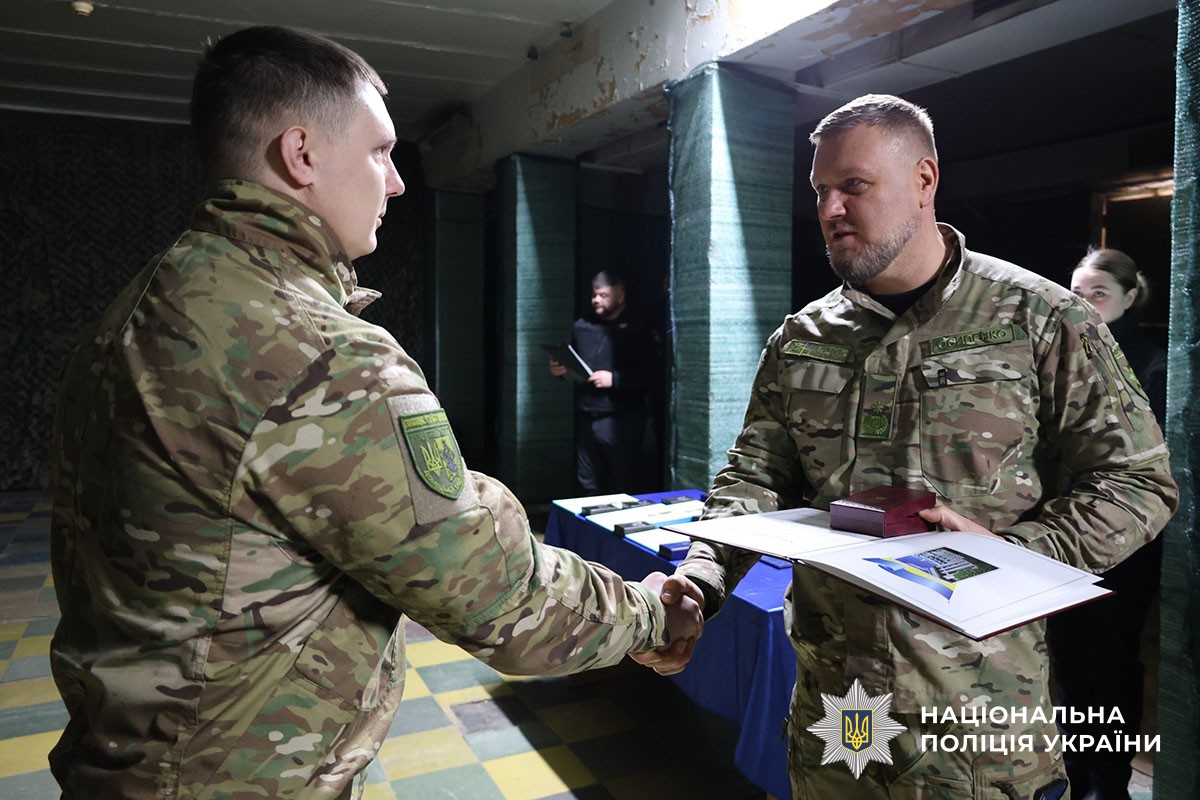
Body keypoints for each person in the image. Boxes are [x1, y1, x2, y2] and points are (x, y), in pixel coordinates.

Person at [47, 26, 701, 800]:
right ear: (301, 154)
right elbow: (496, 595)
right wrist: (651, 617)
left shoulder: (138, 309)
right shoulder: (321, 352)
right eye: (380, 153)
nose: (395, 184)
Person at [634, 95, 1176, 799]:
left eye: (853, 186)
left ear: (924, 180)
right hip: (838, 722)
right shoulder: (802, 339)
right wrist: (699, 581)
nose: (830, 209)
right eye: (820, 191)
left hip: (980, 728)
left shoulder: (1040, 318)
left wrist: (1015, 556)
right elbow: (755, 475)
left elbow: (1138, 483)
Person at [1046, 248, 1168, 800]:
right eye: (1077, 294)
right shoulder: (1065, 353)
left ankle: (1110, 784)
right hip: (1062, 534)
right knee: (1069, 658)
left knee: (1111, 662)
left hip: (1125, 541)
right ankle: (1076, 777)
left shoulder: (1152, 366)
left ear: (1130, 296)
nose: (1086, 304)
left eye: (1100, 293)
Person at [548, 270, 656, 493]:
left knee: (625, 483)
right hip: (587, 416)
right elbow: (567, 358)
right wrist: (558, 369)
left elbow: (651, 373)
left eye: (603, 295)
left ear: (620, 296)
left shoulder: (638, 328)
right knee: (586, 482)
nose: (596, 300)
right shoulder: (582, 326)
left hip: (623, 419)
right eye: (594, 295)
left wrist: (614, 379)